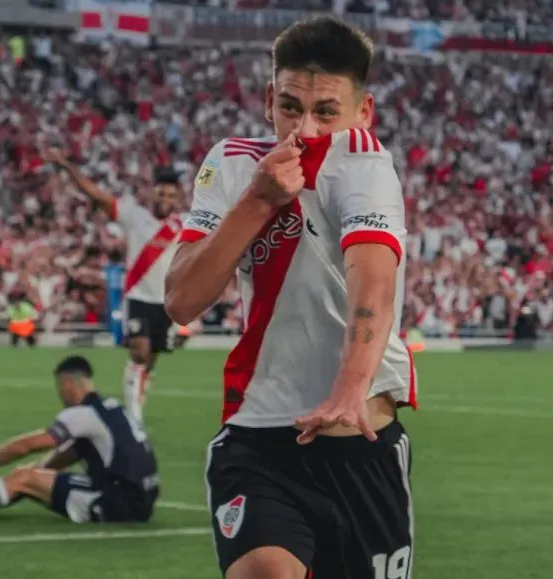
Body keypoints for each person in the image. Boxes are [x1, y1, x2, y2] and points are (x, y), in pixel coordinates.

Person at [165, 17, 416, 579]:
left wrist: (351, 388)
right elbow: (182, 299)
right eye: (289, 106)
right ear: (267, 100)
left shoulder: (365, 165)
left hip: (361, 444)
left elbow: (372, 277)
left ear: (362, 112)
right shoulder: (231, 163)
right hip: (260, 441)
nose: (303, 127)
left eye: (325, 111)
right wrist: (257, 201)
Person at [0, 355, 159, 524]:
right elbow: (66, 456)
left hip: (119, 503)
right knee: (26, 477)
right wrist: (33, 473)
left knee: (24, 478)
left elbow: (26, 445)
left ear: (67, 384)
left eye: (59, 387)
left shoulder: (82, 414)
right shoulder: (110, 408)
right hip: (136, 497)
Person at [46, 151, 187, 425]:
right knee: (139, 350)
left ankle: (137, 401)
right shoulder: (134, 215)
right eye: (161, 194)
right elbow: (96, 194)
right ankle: (134, 417)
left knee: (149, 362)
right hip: (137, 297)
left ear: (178, 199)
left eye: (171, 196)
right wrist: (67, 166)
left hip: (165, 302)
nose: (165, 200)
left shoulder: (183, 225)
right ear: (152, 193)